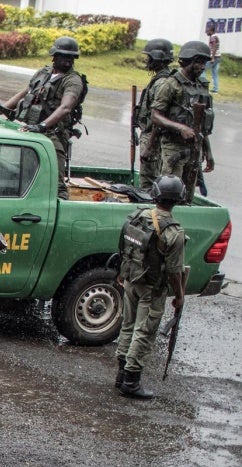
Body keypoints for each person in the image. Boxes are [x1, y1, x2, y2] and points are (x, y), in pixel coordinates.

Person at [114, 175, 186, 399]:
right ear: (178, 199)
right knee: (143, 332)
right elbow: (175, 271)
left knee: (127, 326)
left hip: (130, 279)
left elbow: (124, 246)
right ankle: (131, 381)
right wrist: (179, 295)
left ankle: (120, 375)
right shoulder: (174, 233)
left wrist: (122, 273)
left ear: (155, 194)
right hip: (151, 288)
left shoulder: (138, 216)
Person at [1, 36, 85, 200]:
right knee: (25, 175)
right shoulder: (43, 73)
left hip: (53, 135)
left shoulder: (73, 81)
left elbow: (66, 107)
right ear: (54, 56)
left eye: (71, 58)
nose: (67, 61)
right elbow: (26, 92)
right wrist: (1, 110)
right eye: (63, 56)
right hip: (30, 130)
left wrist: (42, 126)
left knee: (56, 182)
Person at [151, 40, 215, 202]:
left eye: (205, 63)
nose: (202, 67)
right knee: (170, 194)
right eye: (199, 62)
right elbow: (156, 116)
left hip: (194, 149)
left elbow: (203, 124)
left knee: (188, 197)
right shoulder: (171, 84)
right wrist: (180, 127)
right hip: (174, 148)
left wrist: (208, 152)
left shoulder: (202, 87)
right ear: (188, 61)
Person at [134, 39, 176, 190]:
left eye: (149, 57)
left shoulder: (161, 82)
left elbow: (159, 116)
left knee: (149, 180)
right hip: (151, 134)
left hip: (153, 136)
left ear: (158, 58)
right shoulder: (162, 79)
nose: (147, 61)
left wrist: (150, 146)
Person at [202, 21, 220, 94]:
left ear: (211, 31)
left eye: (207, 31)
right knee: (215, 74)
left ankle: (203, 86)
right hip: (218, 57)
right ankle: (215, 89)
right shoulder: (216, 36)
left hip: (214, 57)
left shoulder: (212, 37)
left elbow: (215, 47)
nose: (206, 32)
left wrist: (212, 57)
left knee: (202, 69)